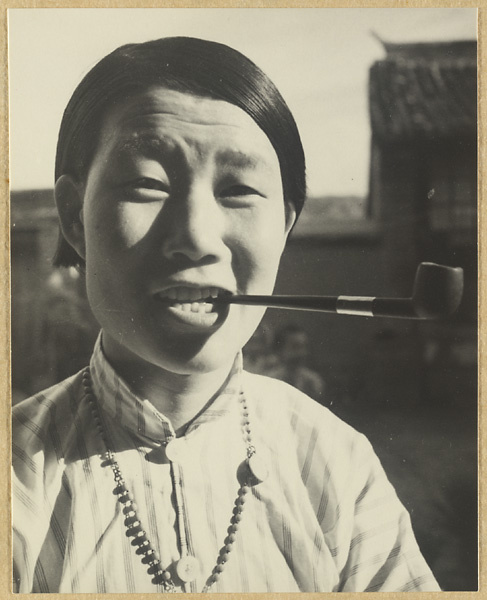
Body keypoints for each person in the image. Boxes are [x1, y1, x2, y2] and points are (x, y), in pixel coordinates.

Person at [12, 37, 440, 593]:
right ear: (74, 217)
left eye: (238, 189)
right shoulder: (17, 476)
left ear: (284, 228)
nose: (196, 238)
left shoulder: (338, 463)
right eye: (147, 185)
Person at [270, 324, 325, 402]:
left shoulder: (313, 382)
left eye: (304, 347)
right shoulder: (270, 380)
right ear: (280, 350)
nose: (301, 353)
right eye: (295, 347)